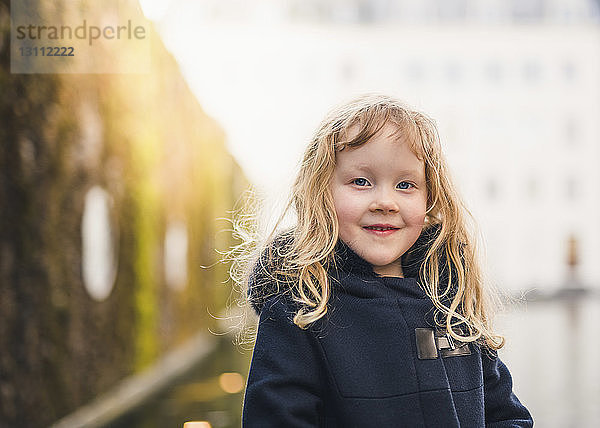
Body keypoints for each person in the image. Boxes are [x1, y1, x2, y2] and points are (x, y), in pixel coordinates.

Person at [236, 94, 534, 427]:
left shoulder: (451, 302)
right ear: (322, 192)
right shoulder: (300, 309)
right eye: (361, 182)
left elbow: (505, 415)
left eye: (405, 185)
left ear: (429, 197)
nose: (385, 201)